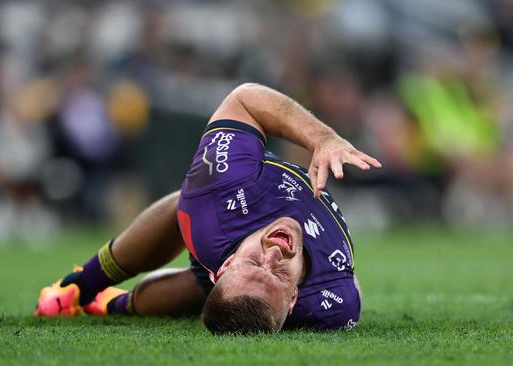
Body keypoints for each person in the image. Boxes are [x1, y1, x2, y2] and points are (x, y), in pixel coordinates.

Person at [35, 83, 381, 333]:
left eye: (255, 263)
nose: (273, 255)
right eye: (277, 275)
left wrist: (321, 138)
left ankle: (94, 294)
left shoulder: (217, 200)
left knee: (186, 215)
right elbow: (351, 288)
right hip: (226, 251)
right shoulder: (332, 301)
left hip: (220, 232)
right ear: (293, 300)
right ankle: (87, 289)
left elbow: (245, 100)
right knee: (190, 227)